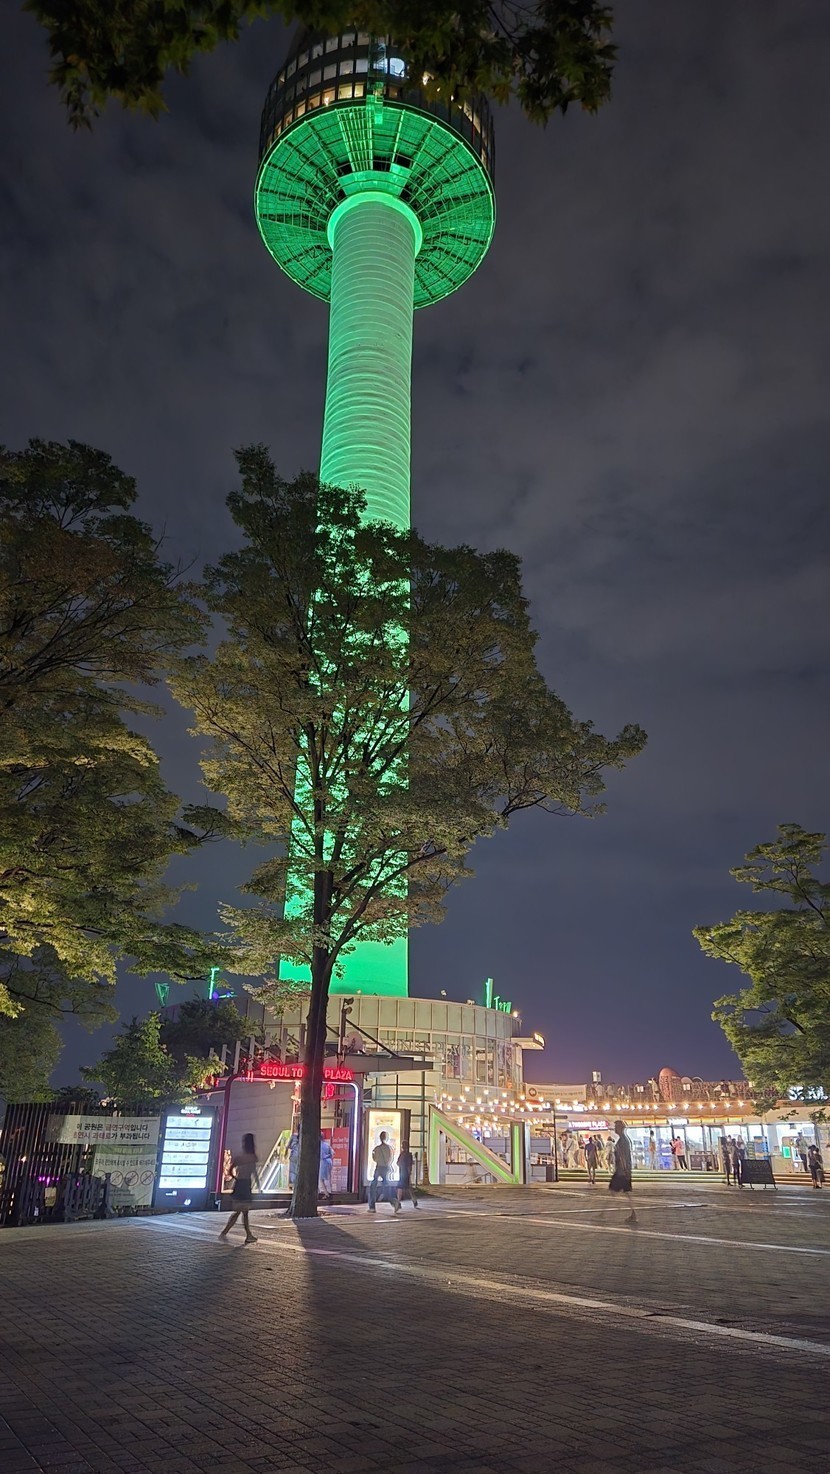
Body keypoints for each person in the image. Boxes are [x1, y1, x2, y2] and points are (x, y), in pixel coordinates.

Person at [219, 1132, 261, 1243]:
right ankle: (228, 1233)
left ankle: (246, 1234)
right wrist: (259, 1186)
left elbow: (230, 1169)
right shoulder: (253, 1157)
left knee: (241, 1211)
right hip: (246, 1185)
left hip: (239, 1185)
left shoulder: (240, 1157)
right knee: (242, 1211)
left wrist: (236, 1178)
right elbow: (254, 1173)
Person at [608, 1119, 636, 1223]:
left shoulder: (623, 1141)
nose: (615, 1129)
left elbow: (623, 1157)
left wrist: (625, 1170)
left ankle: (604, 1212)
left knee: (614, 1190)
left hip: (622, 1171)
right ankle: (633, 1213)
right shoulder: (623, 1140)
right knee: (623, 1192)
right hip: (622, 1170)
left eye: (616, 1127)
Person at [367, 1130, 394, 1211]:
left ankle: (372, 1206)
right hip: (385, 1168)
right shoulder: (389, 1148)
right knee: (386, 1184)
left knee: (373, 1186)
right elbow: (391, 1158)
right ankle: (393, 1201)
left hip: (379, 1167)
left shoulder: (377, 1148)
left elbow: (374, 1158)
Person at [396, 1143, 419, 1211]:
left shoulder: (402, 1154)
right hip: (405, 1173)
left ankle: (398, 1203)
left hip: (402, 1173)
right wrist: (409, 1173)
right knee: (408, 1187)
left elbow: (398, 1163)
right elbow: (409, 1165)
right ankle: (414, 1200)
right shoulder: (408, 1155)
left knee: (400, 1188)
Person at [319, 1135, 334, 1204]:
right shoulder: (327, 1145)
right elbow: (333, 1153)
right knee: (328, 1177)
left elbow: (320, 1155)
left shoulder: (320, 1145)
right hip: (329, 1161)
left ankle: (327, 1194)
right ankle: (329, 1191)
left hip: (323, 1162)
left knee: (321, 1179)